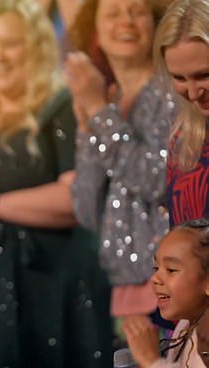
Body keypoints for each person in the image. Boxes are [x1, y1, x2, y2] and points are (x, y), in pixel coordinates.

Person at [0, 0, 112, 366]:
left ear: (35, 46)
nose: (0, 56)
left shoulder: (60, 105)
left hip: (56, 279)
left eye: (10, 43)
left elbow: (76, 199)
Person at [66, 0, 172, 348]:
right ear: (94, 30)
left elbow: (157, 181)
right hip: (124, 291)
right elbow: (86, 209)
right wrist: (89, 125)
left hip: (171, 284)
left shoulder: (169, 95)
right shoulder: (107, 99)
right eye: (113, 13)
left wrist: (99, 113)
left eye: (137, 11)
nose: (125, 21)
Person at [151, 0, 209, 364]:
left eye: (204, 74)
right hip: (192, 328)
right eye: (179, 77)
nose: (192, 91)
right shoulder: (182, 139)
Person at [122, 218, 209, 368]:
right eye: (156, 268)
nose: (155, 278)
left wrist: (150, 359)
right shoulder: (185, 326)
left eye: (171, 270)